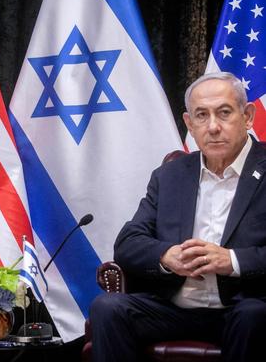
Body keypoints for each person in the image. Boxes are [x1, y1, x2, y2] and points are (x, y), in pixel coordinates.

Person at [89, 71, 266, 362]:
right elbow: (128, 243)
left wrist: (231, 261)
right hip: (174, 308)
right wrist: (166, 257)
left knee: (253, 315)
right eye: (201, 116)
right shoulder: (170, 175)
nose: (213, 127)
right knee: (107, 308)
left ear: (247, 116)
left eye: (224, 113)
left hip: (243, 308)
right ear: (189, 124)